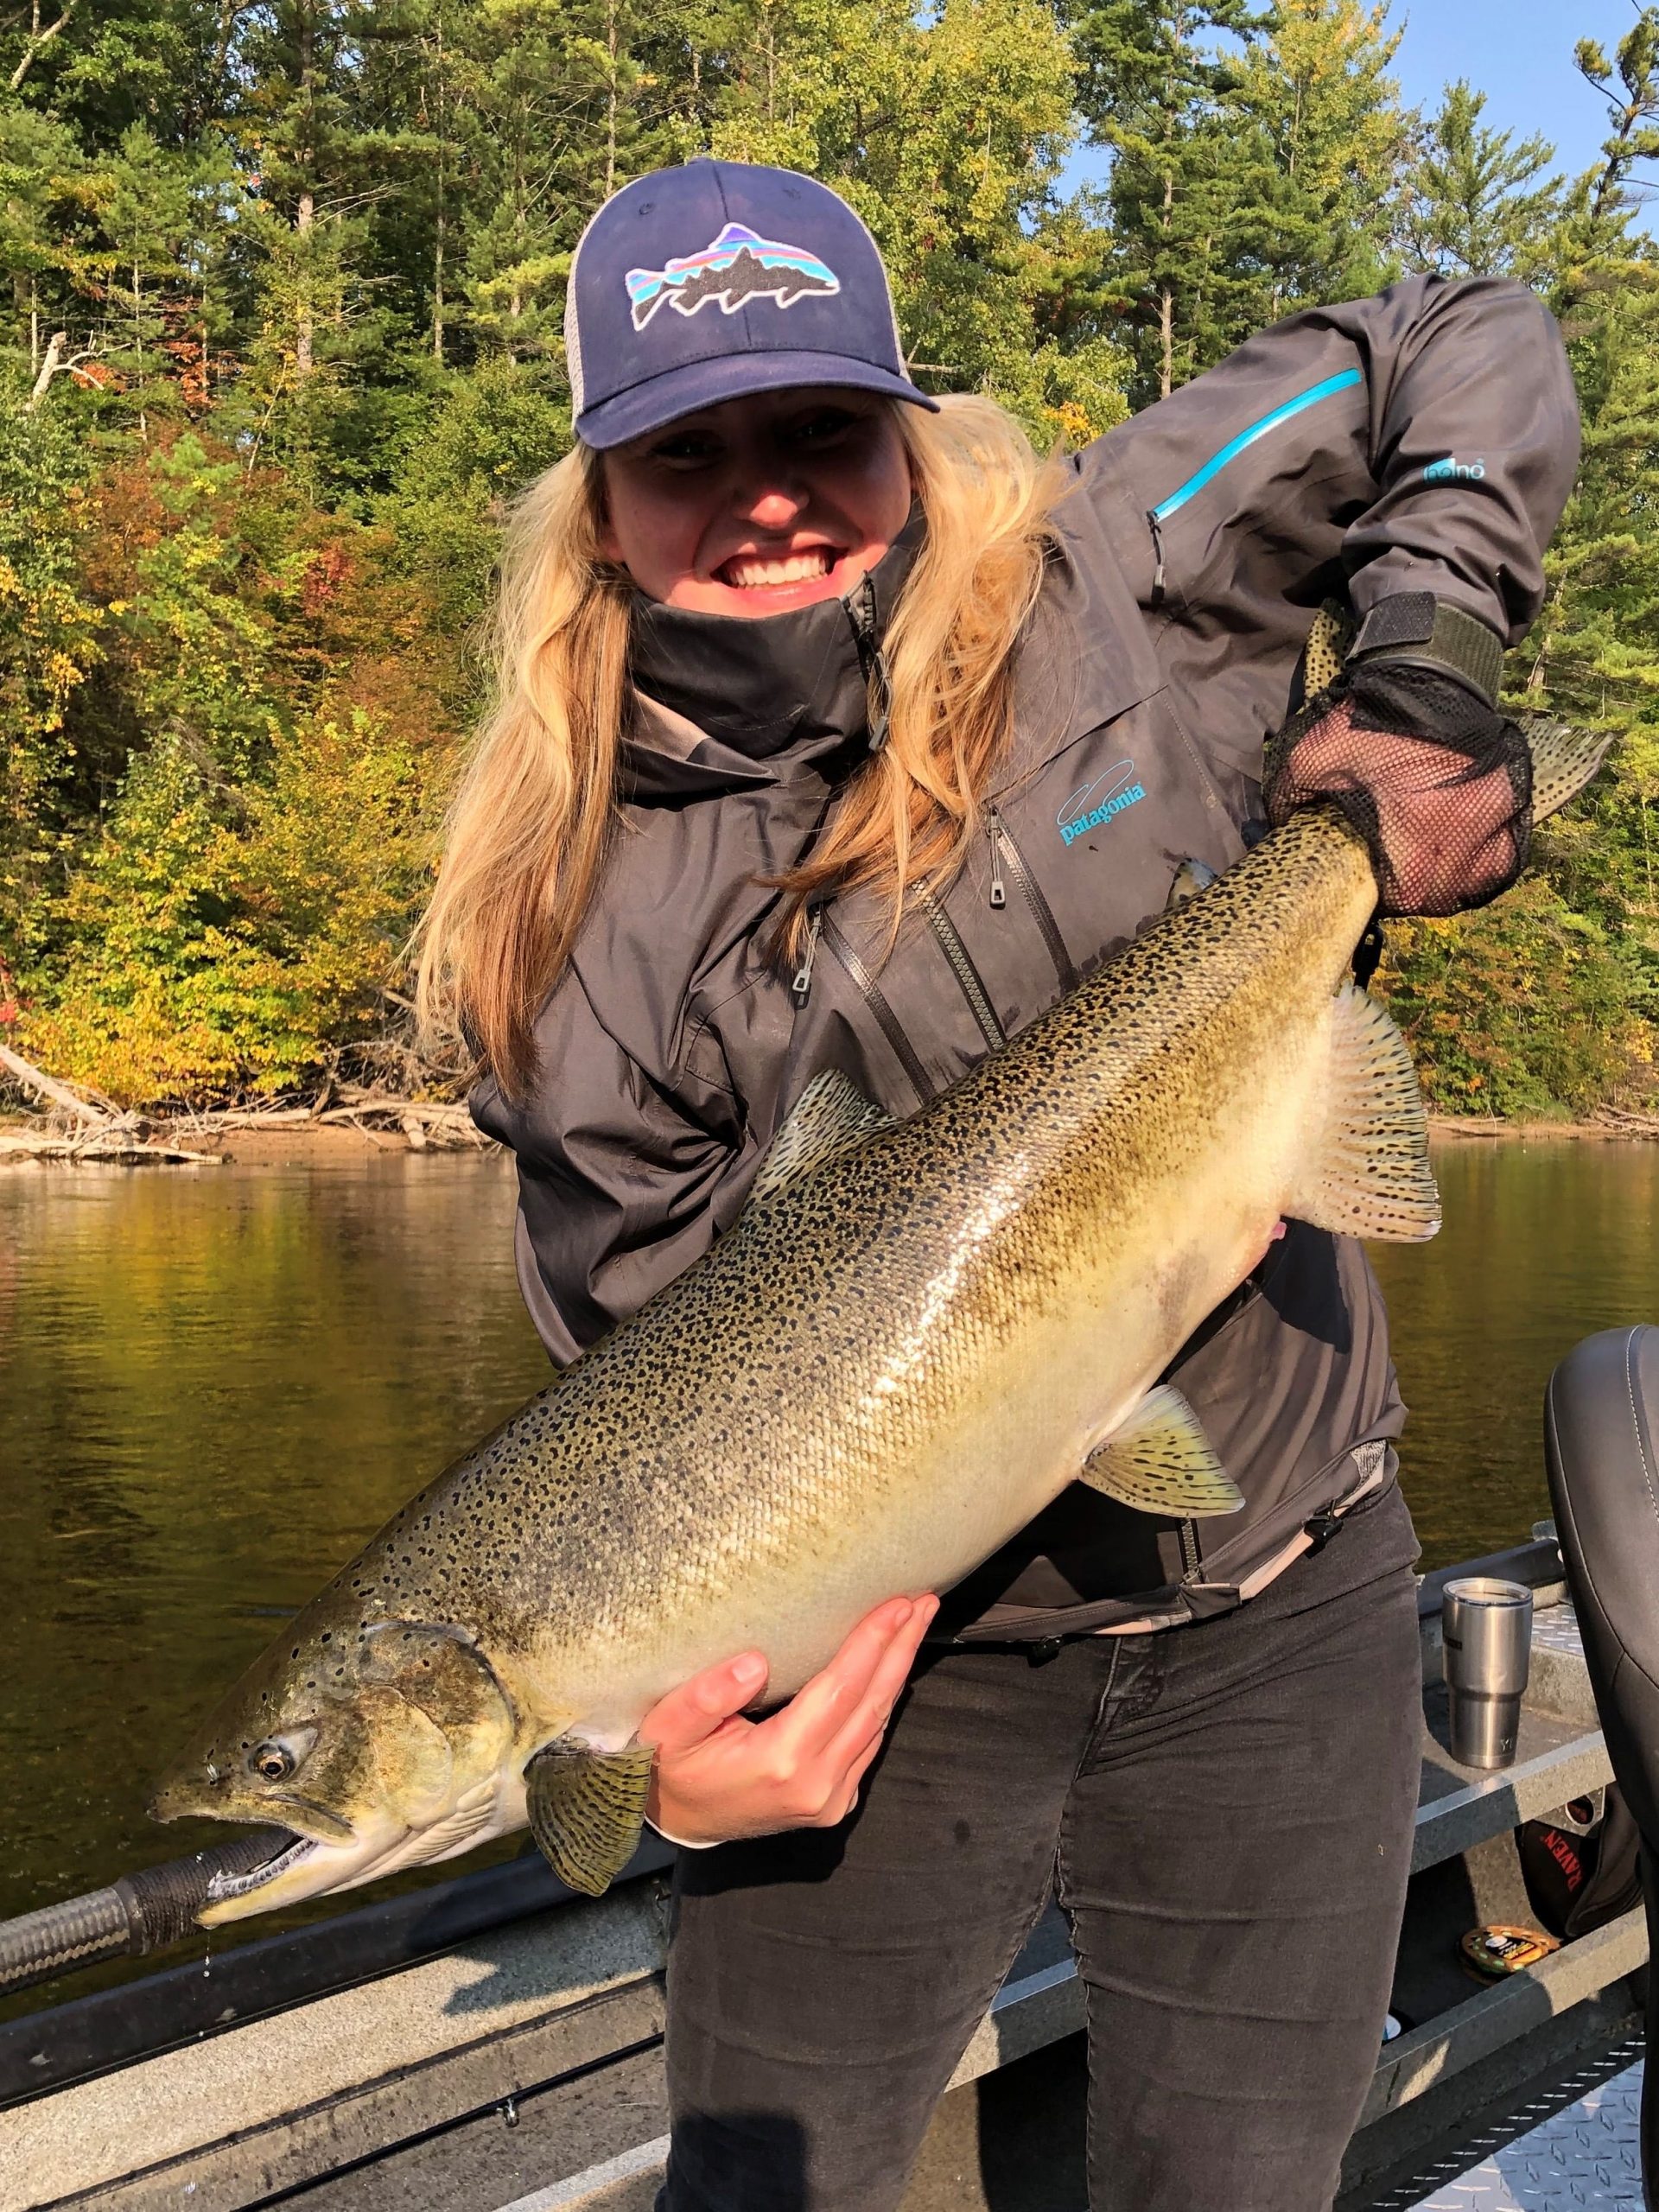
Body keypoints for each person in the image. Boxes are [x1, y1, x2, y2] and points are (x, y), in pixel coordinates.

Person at [418, 159, 1579, 2212]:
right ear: (599, 501)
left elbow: (1454, 331)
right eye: (689, 452)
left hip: (1283, 1590)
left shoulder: (1114, 556)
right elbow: (653, 1415)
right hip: (896, 1670)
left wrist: (1420, 661)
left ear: (905, 424)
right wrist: (657, 1769)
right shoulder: (568, 926)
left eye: (817, 430)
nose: (767, 493)